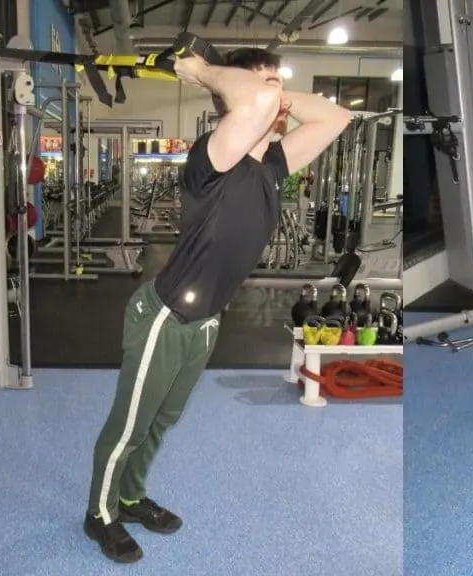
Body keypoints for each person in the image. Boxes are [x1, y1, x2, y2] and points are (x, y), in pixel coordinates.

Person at [83, 48, 352, 562]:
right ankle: (99, 514)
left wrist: (276, 96)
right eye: (265, 85)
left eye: (279, 85)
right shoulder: (214, 159)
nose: (276, 95)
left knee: (163, 422)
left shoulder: (274, 166)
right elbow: (249, 106)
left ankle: (131, 496)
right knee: (131, 425)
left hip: (205, 323)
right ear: (236, 98)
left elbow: (337, 117)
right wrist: (204, 71)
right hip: (164, 317)